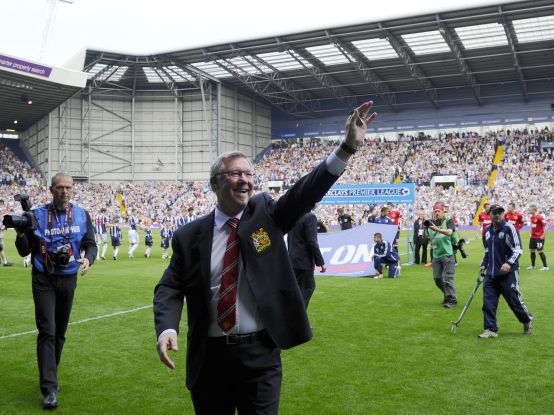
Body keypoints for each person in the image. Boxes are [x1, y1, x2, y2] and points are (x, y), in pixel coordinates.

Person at [153, 101, 376, 414]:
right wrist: (167, 329)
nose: (245, 179)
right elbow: (170, 287)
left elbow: (306, 191)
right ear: (215, 182)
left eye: (248, 173)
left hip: (260, 355)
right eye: (235, 174)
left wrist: (347, 147)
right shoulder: (189, 236)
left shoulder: (268, 217)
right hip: (209, 359)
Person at [13, 172, 97, 409]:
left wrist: (89, 259)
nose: (64, 191)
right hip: (43, 277)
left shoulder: (82, 214)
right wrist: (21, 232)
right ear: (51, 190)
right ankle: (49, 388)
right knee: (47, 331)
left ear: (73, 190)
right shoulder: (37, 215)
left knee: (60, 332)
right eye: (60, 188)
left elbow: (90, 244)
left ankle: (51, 373)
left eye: (68, 187)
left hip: (69, 277)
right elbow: (23, 251)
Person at [479, 204, 533, 338]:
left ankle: (526, 320)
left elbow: (518, 249)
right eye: (494, 213)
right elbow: (488, 250)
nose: (497, 215)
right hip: (491, 274)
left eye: (500, 212)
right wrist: (484, 263)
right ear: (489, 215)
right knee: (488, 304)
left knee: (514, 301)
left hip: (508, 274)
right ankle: (490, 329)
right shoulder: (487, 231)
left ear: (503, 214)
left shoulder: (509, 228)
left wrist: (509, 263)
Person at [287, 211, 327, 308]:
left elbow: (289, 238)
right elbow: (312, 241)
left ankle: (291, 319)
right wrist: (321, 262)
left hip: (292, 259)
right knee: (307, 288)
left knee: (296, 292)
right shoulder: (310, 217)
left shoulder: (294, 215)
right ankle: (299, 320)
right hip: (304, 262)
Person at [425, 203, 458, 308]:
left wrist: (436, 229)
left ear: (443, 211)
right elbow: (428, 239)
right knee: (437, 278)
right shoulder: (432, 224)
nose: (437, 213)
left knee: (448, 278)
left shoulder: (448, 220)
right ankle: (447, 295)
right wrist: (426, 228)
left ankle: (452, 301)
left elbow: (449, 232)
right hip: (436, 255)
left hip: (447, 254)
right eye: (435, 211)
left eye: (439, 211)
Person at [527, 205, 549, 271]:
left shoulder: (539, 217)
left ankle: (545, 266)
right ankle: (533, 266)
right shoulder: (531, 217)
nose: (529, 211)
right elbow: (532, 226)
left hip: (539, 237)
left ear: (534, 210)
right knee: (532, 250)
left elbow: (546, 225)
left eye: (530, 209)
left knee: (540, 251)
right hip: (533, 237)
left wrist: (543, 235)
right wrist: (530, 233)